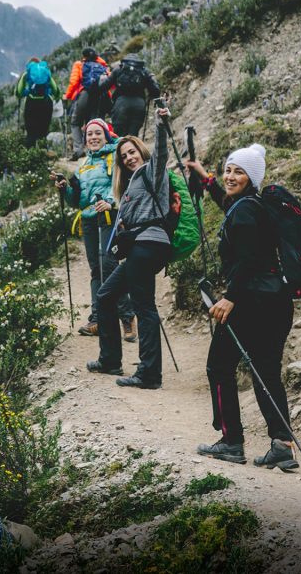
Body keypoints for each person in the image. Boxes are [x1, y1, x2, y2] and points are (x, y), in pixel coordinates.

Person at [184, 144, 298, 470]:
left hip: (250, 301)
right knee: (266, 372)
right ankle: (281, 444)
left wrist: (230, 296)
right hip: (277, 300)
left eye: (239, 172)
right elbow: (229, 205)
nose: (231, 176)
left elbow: (249, 259)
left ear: (253, 177)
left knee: (219, 366)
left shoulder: (245, 211)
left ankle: (231, 441)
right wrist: (208, 182)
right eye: (229, 169)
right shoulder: (252, 206)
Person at [87, 105, 173, 389]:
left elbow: (161, 153)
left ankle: (149, 374)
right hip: (140, 246)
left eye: (132, 152)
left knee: (144, 306)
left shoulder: (152, 171)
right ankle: (110, 359)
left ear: (141, 150)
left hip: (149, 243)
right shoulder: (130, 186)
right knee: (106, 295)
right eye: (123, 157)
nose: (128, 158)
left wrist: (161, 124)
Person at [54, 118, 137, 342]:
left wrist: (110, 202)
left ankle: (127, 317)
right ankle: (97, 319)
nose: (92, 137)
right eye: (89, 134)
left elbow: (122, 185)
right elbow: (77, 201)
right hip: (89, 219)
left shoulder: (115, 158)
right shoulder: (83, 165)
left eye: (97, 133)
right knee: (95, 269)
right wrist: (65, 190)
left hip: (108, 215)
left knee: (108, 266)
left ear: (106, 135)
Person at [64, 48, 110, 158]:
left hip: (84, 95)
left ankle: (79, 149)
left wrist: (67, 96)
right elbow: (110, 82)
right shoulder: (102, 66)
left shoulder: (80, 64)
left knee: (75, 123)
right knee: (92, 124)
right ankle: (94, 150)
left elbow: (74, 81)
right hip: (98, 97)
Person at [100, 55, 160, 137]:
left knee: (119, 136)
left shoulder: (119, 69)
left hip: (121, 105)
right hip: (139, 105)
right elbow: (156, 91)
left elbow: (104, 86)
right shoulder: (143, 71)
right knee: (133, 136)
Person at [16, 58, 60, 146]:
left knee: (31, 132)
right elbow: (55, 89)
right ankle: (43, 152)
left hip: (31, 103)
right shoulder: (46, 72)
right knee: (43, 132)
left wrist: (26, 92)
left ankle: (30, 155)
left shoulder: (26, 74)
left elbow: (19, 92)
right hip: (46, 103)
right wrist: (56, 97)